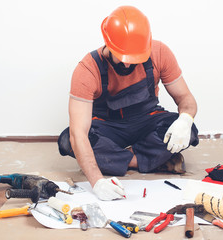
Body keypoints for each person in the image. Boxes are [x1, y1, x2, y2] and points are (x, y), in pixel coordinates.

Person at [58, 6, 199, 201]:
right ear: (108, 42)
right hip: (107, 127)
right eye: (122, 56)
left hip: (147, 120)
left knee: (189, 131)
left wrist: (185, 119)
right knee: (69, 141)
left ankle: (116, 160)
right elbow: (78, 133)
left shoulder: (160, 53)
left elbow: (186, 99)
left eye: (134, 58)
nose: (127, 64)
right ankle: (152, 161)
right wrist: (97, 181)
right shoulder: (87, 70)